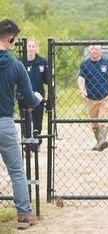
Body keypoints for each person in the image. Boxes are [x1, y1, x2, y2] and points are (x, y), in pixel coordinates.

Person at [0, 19, 43, 229]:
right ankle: (24, 215)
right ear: (11, 39)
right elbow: (29, 99)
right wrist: (38, 98)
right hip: (4, 123)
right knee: (16, 170)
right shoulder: (16, 66)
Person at [77, 45, 108, 151]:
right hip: (91, 98)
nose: (94, 51)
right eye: (92, 49)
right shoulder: (85, 65)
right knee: (94, 122)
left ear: (101, 51)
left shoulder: (107, 63)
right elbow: (81, 79)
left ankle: (102, 141)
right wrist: (82, 89)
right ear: (89, 50)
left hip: (105, 97)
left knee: (104, 118)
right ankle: (99, 143)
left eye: (97, 49)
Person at [17, 39, 48, 152]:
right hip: (23, 96)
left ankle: (36, 143)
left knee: (37, 120)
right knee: (25, 120)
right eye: (28, 46)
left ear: (36, 48)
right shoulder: (19, 62)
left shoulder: (42, 62)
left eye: (32, 46)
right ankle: (27, 144)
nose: (30, 48)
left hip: (38, 95)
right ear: (25, 48)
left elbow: (47, 80)